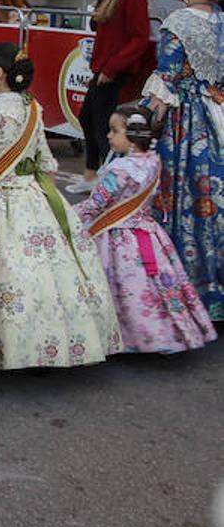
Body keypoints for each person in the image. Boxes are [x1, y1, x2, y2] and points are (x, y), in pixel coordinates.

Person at [0, 43, 120, 369]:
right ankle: (51, 345)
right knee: (50, 274)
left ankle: (11, 348)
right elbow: (46, 159)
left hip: (1, 200)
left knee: (8, 273)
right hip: (35, 196)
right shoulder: (33, 108)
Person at [72, 105, 216, 352]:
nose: (108, 135)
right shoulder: (152, 162)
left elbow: (97, 203)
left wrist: (67, 215)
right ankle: (166, 336)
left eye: (113, 130)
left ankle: (119, 338)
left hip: (117, 237)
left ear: (131, 137)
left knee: (120, 286)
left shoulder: (120, 170)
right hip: (148, 234)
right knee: (155, 285)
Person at [143, 0, 224, 320]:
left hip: (187, 122)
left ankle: (179, 290)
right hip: (218, 111)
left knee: (181, 196)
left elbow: (166, 81)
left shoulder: (178, 20)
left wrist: (140, 126)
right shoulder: (222, 20)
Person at [71, 0, 150, 193]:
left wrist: (111, 68)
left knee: (104, 125)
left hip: (114, 70)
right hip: (104, 68)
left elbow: (140, 38)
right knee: (90, 119)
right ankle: (93, 174)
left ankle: (109, 180)